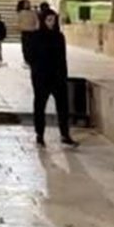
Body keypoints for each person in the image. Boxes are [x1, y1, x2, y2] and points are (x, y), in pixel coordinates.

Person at [27, 11, 78, 147]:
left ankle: (65, 134)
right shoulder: (35, 37)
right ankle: (40, 134)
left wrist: (63, 75)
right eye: (48, 20)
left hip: (58, 77)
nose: (51, 23)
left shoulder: (59, 36)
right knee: (40, 106)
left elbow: (62, 58)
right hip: (42, 77)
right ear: (43, 21)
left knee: (63, 107)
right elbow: (30, 57)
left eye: (53, 20)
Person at [16, 0, 39, 73]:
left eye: (28, 3)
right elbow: (19, 22)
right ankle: (26, 60)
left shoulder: (33, 13)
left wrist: (36, 29)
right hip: (25, 32)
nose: (27, 4)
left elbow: (37, 22)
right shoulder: (20, 13)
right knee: (25, 47)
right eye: (26, 3)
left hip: (32, 32)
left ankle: (31, 59)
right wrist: (20, 28)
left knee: (32, 47)